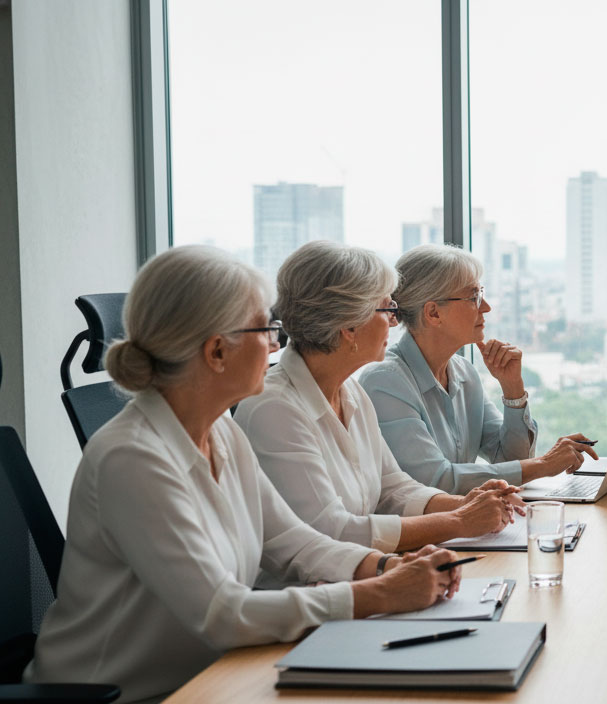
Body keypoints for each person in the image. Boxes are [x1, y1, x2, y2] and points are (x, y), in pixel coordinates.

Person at [24, 246, 464, 703]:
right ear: (217, 351)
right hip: (120, 696)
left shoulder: (221, 432)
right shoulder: (132, 458)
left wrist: (385, 567)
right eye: (266, 330)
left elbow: (293, 542)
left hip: (210, 677)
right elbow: (221, 613)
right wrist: (378, 595)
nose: (277, 345)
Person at [237, 240, 521, 558]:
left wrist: (468, 505)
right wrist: (458, 520)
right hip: (311, 596)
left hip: (356, 579)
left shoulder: (351, 391)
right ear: (349, 326)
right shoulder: (273, 409)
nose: (394, 321)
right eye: (387, 309)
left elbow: (393, 487)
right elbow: (331, 530)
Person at [360, 244, 597, 493]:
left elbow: (510, 460)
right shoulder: (385, 382)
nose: (486, 307)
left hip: (466, 524)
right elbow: (435, 480)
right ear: (433, 313)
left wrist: (513, 389)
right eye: (474, 297)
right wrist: (544, 464)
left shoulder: (464, 373)